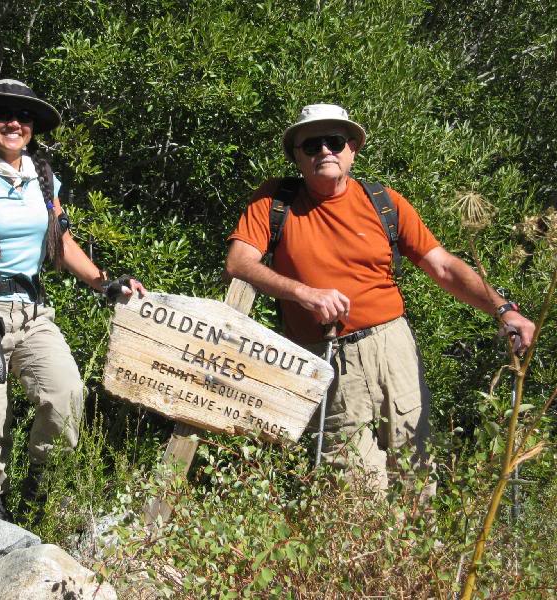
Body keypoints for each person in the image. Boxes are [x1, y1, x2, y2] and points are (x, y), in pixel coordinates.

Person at [225, 103, 534, 491]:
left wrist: (504, 309)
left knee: (415, 464)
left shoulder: (383, 202)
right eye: (312, 144)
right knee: (349, 478)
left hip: (393, 346)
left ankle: (418, 551)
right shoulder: (274, 201)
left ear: (352, 149)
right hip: (324, 353)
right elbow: (239, 262)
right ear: (297, 157)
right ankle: (362, 553)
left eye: (335, 141)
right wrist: (303, 293)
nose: (325, 151)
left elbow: (442, 265)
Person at [0, 79, 145, 521]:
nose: (13, 123)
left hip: (33, 310)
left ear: (33, 127)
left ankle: (39, 497)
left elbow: (62, 246)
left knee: (66, 394)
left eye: (23, 117)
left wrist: (107, 284)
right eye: (2, 114)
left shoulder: (44, 179)